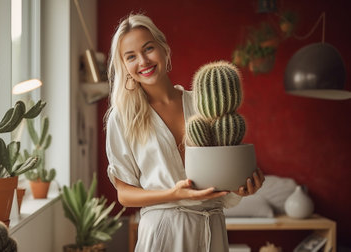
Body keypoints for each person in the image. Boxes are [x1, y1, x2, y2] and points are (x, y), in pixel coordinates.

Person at [104, 13, 265, 252]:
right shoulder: (123, 117)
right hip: (163, 231)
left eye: (148, 49)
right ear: (125, 66)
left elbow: (221, 177)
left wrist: (241, 187)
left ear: (164, 49)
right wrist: (174, 194)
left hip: (212, 227)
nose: (143, 61)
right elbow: (125, 194)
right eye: (131, 56)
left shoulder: (204, 104)